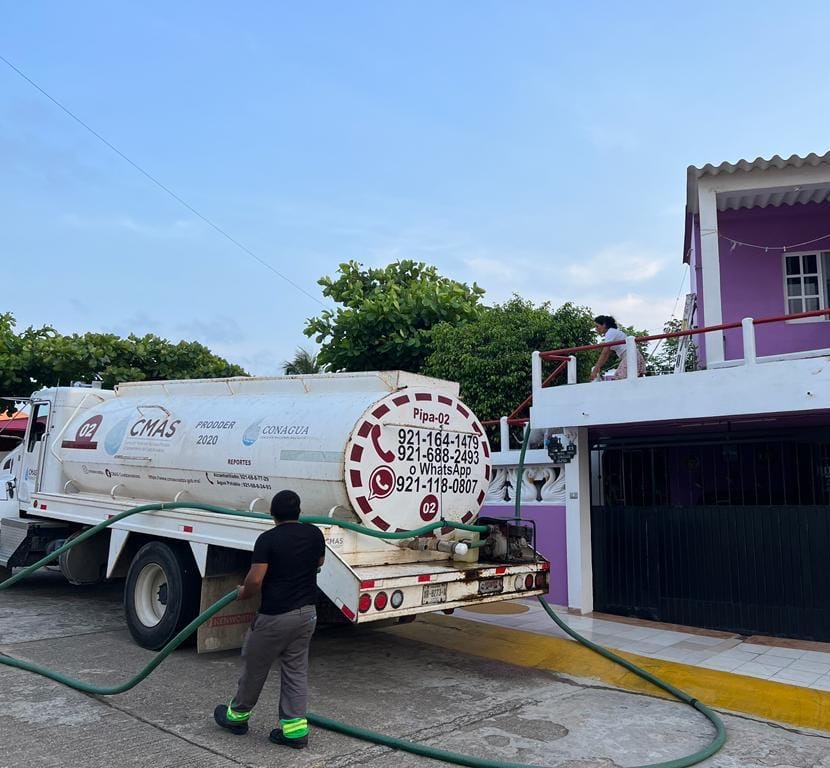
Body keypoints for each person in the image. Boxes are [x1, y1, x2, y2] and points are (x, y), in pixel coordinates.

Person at [214, 489, 325, 749]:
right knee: (296, 670)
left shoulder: (268, 539)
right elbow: (319, 561)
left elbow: (255, 579)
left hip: (276, 616)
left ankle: (236, 718)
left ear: (272, 515)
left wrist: (244, 592)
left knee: (255, 668)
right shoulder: (314, 533)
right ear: (299, 512)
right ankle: (295, 732)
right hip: (307, 614)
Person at [589, 315, 645, 381]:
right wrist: (598, 367)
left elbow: (605, 352)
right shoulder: (613, 332)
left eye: (597, 326)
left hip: (630, 357)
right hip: (633, 356)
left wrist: (596, 369)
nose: (596, 329)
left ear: (604, 325)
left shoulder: (610, 332)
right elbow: (606, 354)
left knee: (619, 378)